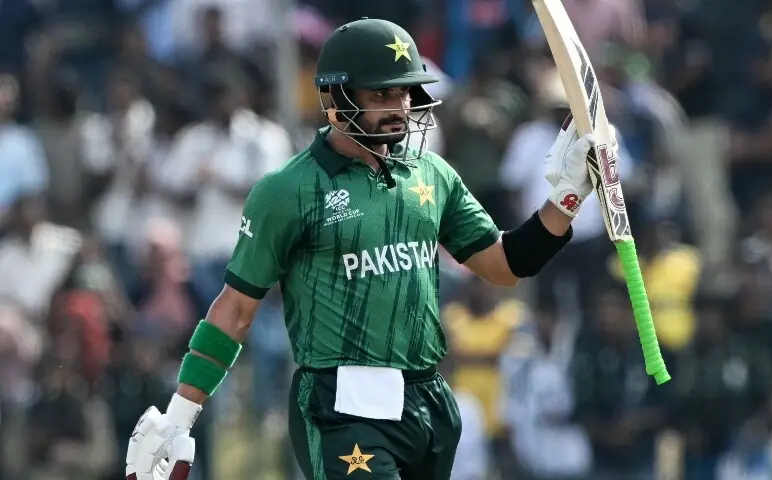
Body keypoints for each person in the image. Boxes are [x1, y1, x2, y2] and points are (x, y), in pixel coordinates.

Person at [125, 17, 614, 480]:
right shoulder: (288, 190)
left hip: (428, 401)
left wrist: (568, 196)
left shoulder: (433, 174)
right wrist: (180, 415)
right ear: (336, 98)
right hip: (340, 406)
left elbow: (505, 266)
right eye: (382, 93)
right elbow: (234, 310)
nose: (400, 107)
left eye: (404, 91)